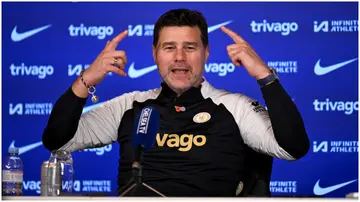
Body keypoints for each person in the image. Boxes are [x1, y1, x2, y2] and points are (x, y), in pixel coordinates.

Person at [42, 8, 310, 197]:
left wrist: (265, 76)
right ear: (155, 54)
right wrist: (86, 80)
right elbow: (58, 140)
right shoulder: (129, 105)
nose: (179, 57)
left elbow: (293, 148)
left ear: (206, 53)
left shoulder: (235, 107)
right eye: (169, 47)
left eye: (190, 48)